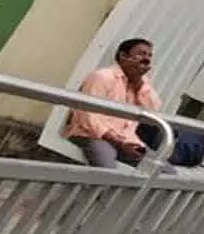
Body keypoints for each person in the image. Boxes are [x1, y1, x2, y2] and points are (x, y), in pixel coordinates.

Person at [65, 38, 162, 168]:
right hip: (94, 136)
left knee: (165, 173)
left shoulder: (140, 82)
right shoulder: (103, 77)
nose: (146, 59)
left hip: (127, 141)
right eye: (141, 54)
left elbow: (153, 111)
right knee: (107, 170)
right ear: (123, 56)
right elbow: (86, 114)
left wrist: (138, 82)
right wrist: (116, 141)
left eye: (149, 55)